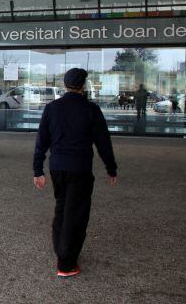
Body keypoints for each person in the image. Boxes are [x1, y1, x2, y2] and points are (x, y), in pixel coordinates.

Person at [32, 68, 118, 278]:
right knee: (76, 214)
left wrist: (38, 170)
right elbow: (103, 142)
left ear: (65, 84)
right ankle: (66, 263)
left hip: (57, 167)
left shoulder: (52, 108)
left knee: (62, 208)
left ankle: (61, 249)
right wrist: (111, 168)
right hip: (80, 168)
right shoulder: (91, 109)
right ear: (83, 85)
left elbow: (41, 140)